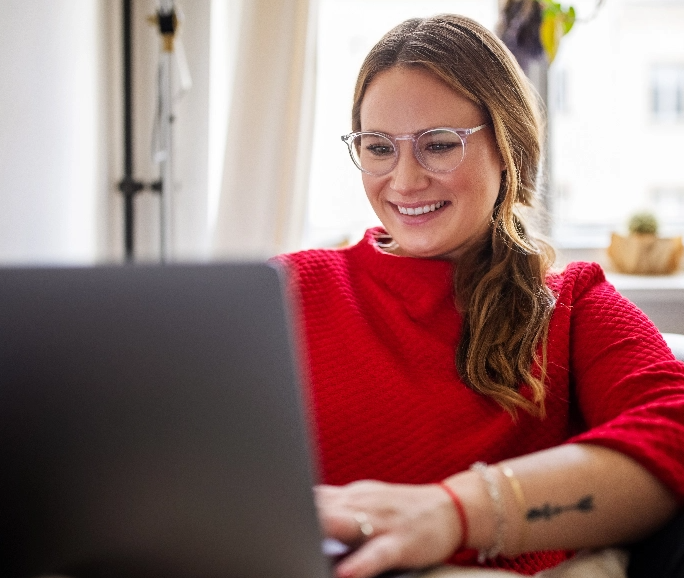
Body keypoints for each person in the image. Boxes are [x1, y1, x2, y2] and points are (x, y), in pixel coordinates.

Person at [275, 14, 684, 578]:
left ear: (507, 145)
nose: (405, 180)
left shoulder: (569, 306)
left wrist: (456, 512)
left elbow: (676, 428)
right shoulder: (287, 290)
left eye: (439, 145)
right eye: (378, 148)